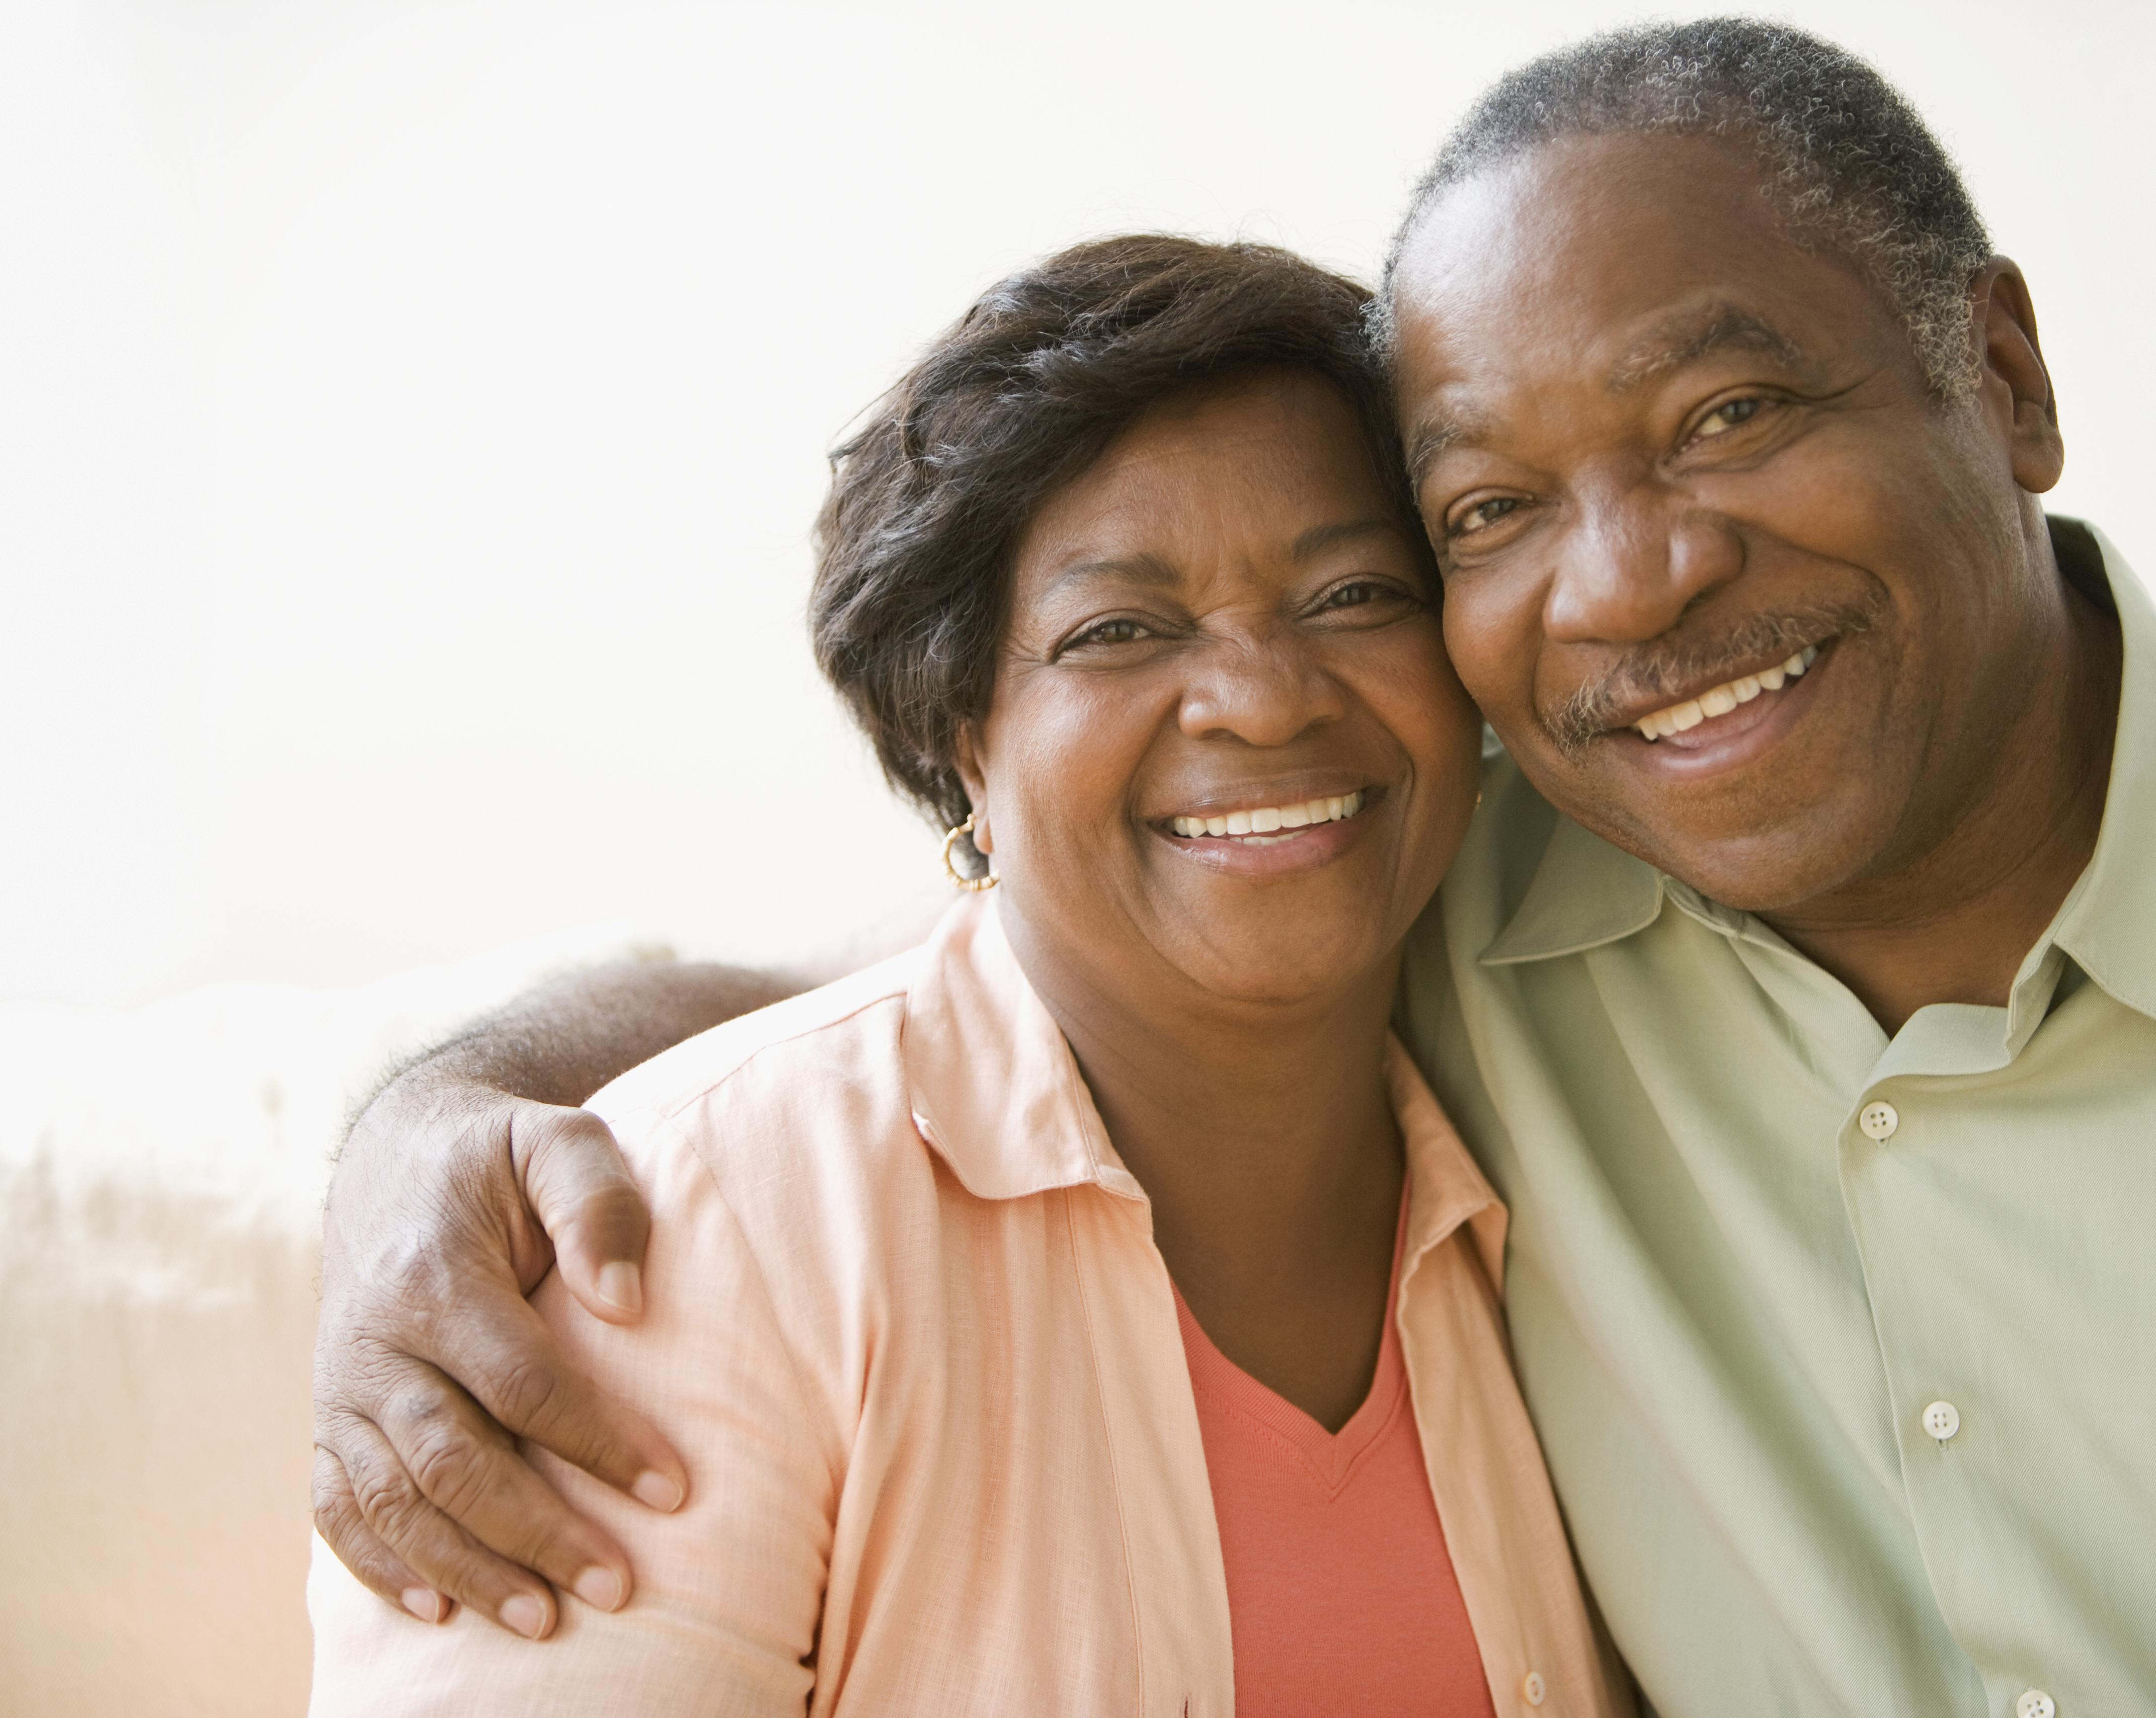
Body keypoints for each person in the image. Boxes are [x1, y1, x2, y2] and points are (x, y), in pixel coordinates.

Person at [314, 19, 2156, 1716]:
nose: (1635, 581)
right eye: (1492, 510)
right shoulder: (1431, 903)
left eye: (1730, 414)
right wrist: (421, 1124)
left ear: (2002, 374)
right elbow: (932, 996)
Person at [304, 234, 1628, 1716]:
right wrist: (411, 1119)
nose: (1262, 699)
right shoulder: (691, 1235)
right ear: (960, 738)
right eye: (1117, 629)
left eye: (1356, 597)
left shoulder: (1566, 1122)